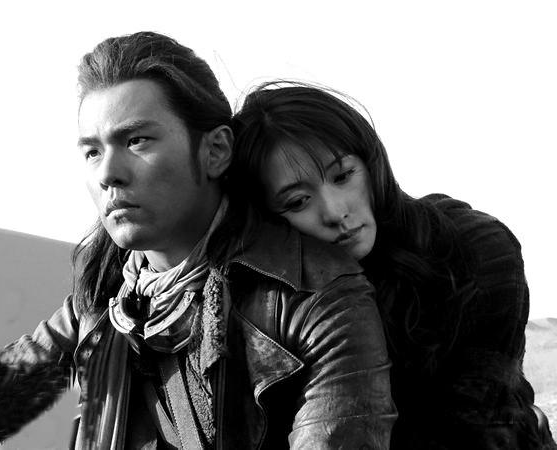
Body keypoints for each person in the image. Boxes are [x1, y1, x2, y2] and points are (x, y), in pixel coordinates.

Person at [0, 33, 396, 449]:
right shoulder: (103, 302)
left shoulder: (315, 297)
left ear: (215, 151)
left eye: (136, 140)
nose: (108, 173)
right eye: (92, 151)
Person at [230, 81, 557, 449]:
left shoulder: (475, 250)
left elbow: (478, 421)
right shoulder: (280, 308)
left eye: (343, 176)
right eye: (298, 201)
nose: (335, 211)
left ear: (370, 162)